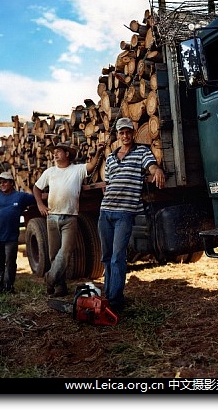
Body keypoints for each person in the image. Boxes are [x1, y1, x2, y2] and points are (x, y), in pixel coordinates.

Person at [98, 117, 165, 311]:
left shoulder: (142, 152)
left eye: (128, 132)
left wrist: (157, 169)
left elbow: (150, 165)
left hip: (124, 214)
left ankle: (115, 302)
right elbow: (108, 183)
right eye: (122, 133)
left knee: (118, 256)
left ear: (133, 134)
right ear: (118, 135)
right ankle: (107, 295)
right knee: (106, 255)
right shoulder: (110, 158)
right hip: (105, 212)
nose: (125, 136)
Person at [33, 140, 104, 297]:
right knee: (53, 254)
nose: (55, 153)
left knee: (65, 252)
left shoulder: (77, 170)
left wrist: (98, 153)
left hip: (70, 218)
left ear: (67, 154)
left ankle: (49, 278)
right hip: (52, 217)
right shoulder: (49, 172)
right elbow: (36, 188)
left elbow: (91, 166)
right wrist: (40, 205)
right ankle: (60, 287)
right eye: (55, 151)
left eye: (59, 151)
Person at [0, 171, 36, 294]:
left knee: (10, 263)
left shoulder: (20, 196)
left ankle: (9, 287)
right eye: (0, 182)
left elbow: (34, 197)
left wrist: (25, 187)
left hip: (11, 237)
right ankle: (1, 288)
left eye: (4, 182)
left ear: (11, 183)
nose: (2, 184)